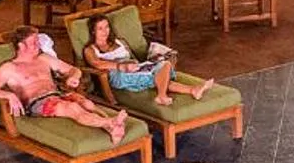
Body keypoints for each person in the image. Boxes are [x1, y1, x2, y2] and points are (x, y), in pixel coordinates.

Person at [0, 27, 130, 147]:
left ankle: (112, 127)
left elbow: (74, 69)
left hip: (58, 94)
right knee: (72, 109)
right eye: (34, 42)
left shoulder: (44, 58)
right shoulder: (9, 67)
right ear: (21, 45)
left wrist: (73, 77)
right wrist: (9, 95)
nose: (38, 45)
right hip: (37, 103)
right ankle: (110, 122)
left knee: (87, 103)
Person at [83, 14, 214, 107]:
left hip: (135, 69)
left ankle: (192, 90)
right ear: (93, 31)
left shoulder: (118, 41)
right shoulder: (91, 49)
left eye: (107, 27)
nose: (105, 31)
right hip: (119, 75)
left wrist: (141, 63)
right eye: (100, 28)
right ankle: (165, 95)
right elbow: (97, 64)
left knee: (165, 64)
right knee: (159, 75)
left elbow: (133, 59)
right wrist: (121, 66)